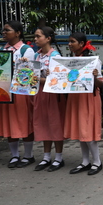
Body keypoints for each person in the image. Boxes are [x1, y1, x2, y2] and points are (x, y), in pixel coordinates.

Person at [0, 21, 36, 168]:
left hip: (21, 92)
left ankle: (28, 155)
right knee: (9, 122)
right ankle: (14, 155)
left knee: (24, 121)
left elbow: (28, 71)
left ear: (18, 33)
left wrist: (22, 63)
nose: (3, 33)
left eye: (7, 30)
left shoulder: (26, 50)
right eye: (3, 31)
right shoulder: (2, 49)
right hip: (5, 91)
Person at [64, 32, 103, 176]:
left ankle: (97, 162)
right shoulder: (70, 60)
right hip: (75, 97)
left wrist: (94, 76)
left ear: (81, 44)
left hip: (89, 98)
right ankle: (85, 161)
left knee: (88, 130)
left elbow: (101, 83)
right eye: (69, 41)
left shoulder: (93, 61)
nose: (69, 44)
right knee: (81, 129)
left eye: (72, 41)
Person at [32, 27, 66, 172]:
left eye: (38, 36)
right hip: (39, 93)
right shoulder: (36, 56)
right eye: (35, 36)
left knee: (55, 124)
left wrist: (37, 79)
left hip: (53, 95)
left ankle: (58, 158)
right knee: (43, 123)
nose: (35, 39)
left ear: (48, 38)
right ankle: (46, 157)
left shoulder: (55, 56)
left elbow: (57, 79)